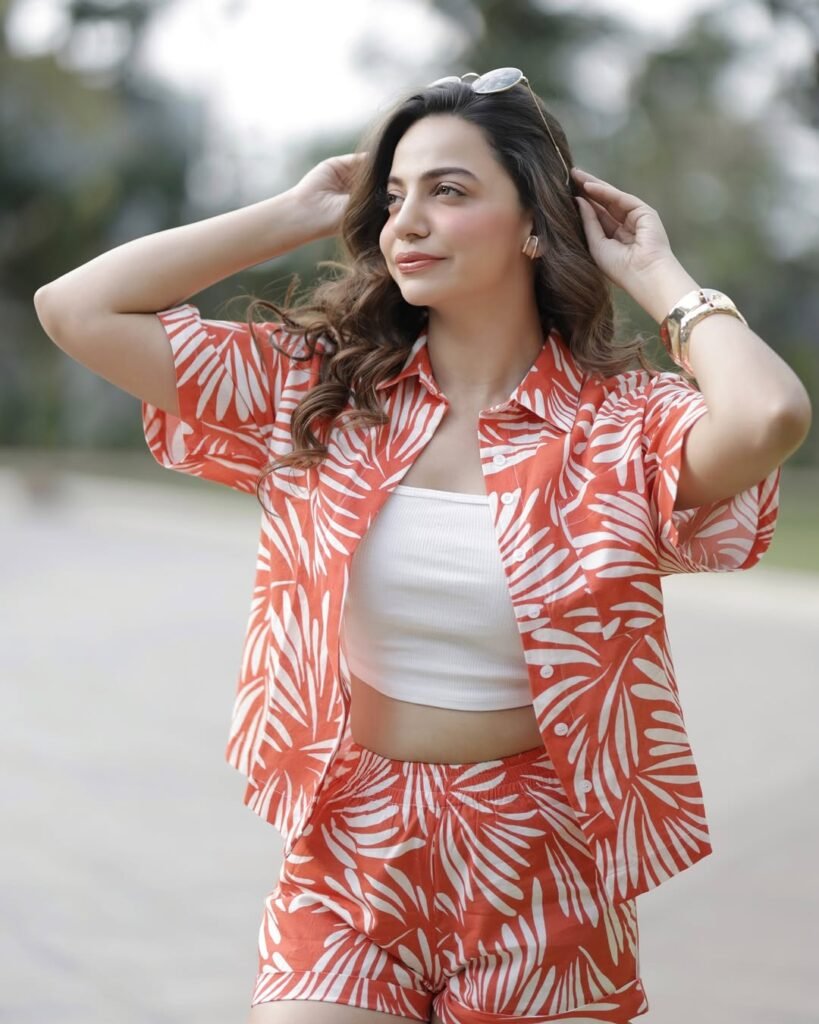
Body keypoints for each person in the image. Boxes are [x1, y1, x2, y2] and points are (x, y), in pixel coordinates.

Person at [34, 68, 811, 1024]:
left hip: (544, 863)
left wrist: (655, 272)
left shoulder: (623, 427)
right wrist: (295, 211)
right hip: (349, 845)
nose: (406, 221)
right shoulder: (320, 392)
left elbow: (769, 413)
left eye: (448, 191)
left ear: (535, 223)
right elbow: (76, 309)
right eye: (394, 197)